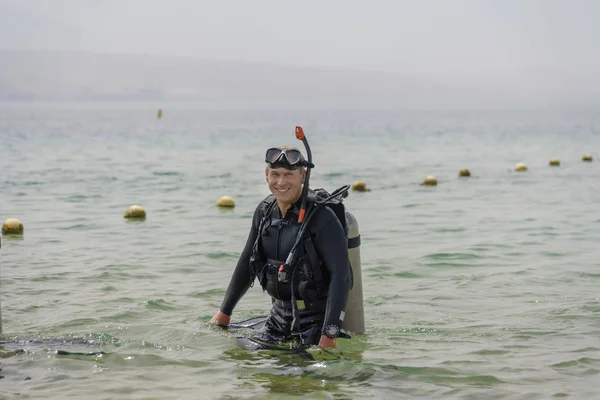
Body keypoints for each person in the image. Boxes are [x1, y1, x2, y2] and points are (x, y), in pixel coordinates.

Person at [208, 145, 352, 349]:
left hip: (315, 323)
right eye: (275, 174)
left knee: (294, 375)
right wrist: (224, 313)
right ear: (266, 175)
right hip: (277, 319)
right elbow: (247, 262)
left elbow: (342, 276)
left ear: (303, 176)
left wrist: (329, 333)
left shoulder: (321, 217)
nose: (281, 182)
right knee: (237, 358)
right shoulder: (265, 211)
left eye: (289, 175)